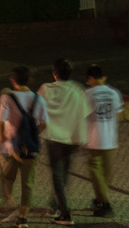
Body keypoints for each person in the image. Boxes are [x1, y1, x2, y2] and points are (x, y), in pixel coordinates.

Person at [38, 58, 90, 225]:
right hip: (71, 139)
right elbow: (83, 116)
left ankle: (65, 213)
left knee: (57, 176)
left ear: (54, 74)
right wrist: (81, 140)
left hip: (53, 138)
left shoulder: (46, 89)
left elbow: (36, 110)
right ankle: (55, 206)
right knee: (64, 175)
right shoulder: (77, 90)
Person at [0, 65, 47, 228]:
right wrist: (32, 135)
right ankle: (23, 218)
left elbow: (0, 121)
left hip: (10, 147)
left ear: (12, 80)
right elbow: (44, 123)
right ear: (30, 80)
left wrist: (2, 137)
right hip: (30, 149)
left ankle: (9, 199)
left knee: (7, 177)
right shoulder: (38, 99)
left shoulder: (7, 98)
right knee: (28, 183)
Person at [84, 64, 123, 220]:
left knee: (95, 171)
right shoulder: (114, 93)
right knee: (106, 173)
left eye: (89, 80)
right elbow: (118, 115)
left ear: (91, 78)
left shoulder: (88, 94)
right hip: (110, 139)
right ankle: (100, 198)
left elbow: (83, 116)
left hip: (94, 138)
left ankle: (104, 203)